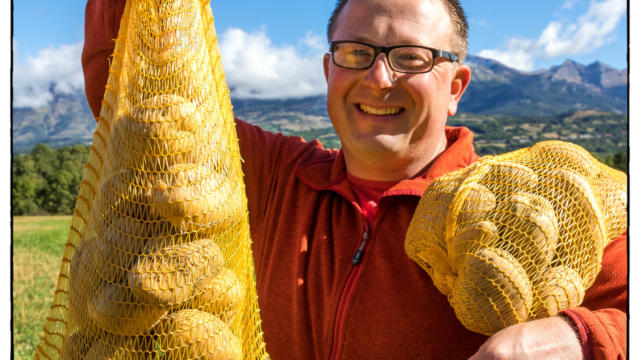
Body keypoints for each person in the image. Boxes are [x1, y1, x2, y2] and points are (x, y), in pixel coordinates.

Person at [82, 0, 627, 358]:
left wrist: (578, 338)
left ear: (456, 84)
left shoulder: (523, 207)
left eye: (411, 58)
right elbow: (134, 94)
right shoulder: (273, 176)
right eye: (356, 52)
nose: (379, 77)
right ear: (328, 70)